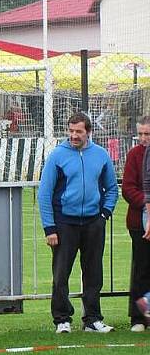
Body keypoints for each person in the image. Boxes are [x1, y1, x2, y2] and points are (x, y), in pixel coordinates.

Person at [38, 112, 118, 334]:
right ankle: (62, 319)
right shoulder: (57, 156)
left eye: (78, 131)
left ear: (88, 132)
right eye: (71, 131)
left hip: (94, 222)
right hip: (65, 224)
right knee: (61, 273)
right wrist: (50, 228)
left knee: (94, 273)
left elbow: (112, 188)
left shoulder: (101, 156)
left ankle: (92, 320)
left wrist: (104, 214)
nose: (74, 135)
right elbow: (44, 194)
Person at [123, 117, 150, 332]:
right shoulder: (134, 155)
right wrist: (146, 204)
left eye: (147, 134)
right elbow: (128, 188)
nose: (142, 138)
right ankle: (138, 317)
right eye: (140, 134)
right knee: (141, 268)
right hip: (139, 223)